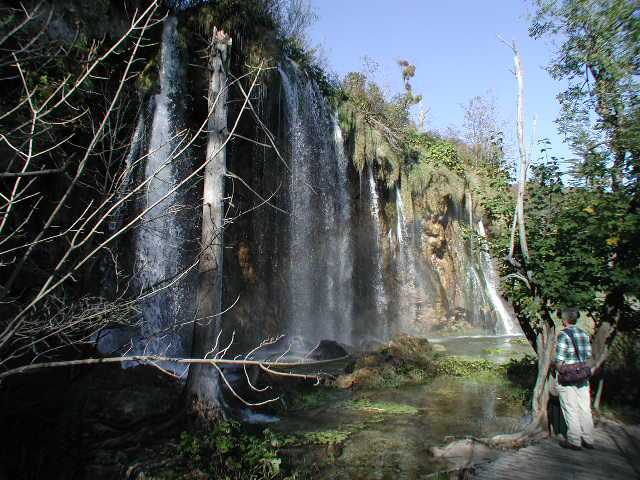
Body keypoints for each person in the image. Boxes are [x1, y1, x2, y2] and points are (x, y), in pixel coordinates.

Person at [555, 308, 595, 450]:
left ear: (564, 320)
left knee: (570, 407)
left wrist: (558, 369)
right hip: (582, 374)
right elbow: (588, 355)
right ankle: (588, 439)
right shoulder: (583, 333)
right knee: (585, 407)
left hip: (568, 376)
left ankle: (574, 440)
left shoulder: (563, 335)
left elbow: (559, 360)